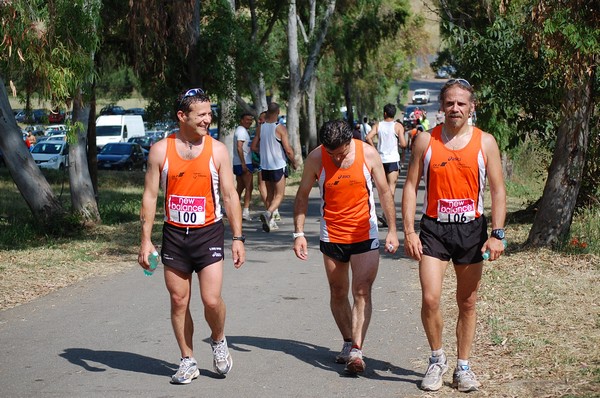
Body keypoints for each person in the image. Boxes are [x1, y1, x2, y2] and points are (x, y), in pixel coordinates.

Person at [402, 78, 506, 393]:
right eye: (450, 103)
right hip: (434, 228)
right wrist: (409, 230)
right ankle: (436, 360)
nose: (455, 108)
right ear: (441, 106)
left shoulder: (485, 142)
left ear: (471, 107)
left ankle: (463, 368)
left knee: (468, 301)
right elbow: (410, 186)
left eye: (461, 103)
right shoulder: (424, 141)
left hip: (471, 230)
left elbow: (500, 190)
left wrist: (497, 233)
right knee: (431, 297)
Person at [138, 88, 246, 385]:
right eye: (201, 115)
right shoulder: (161, 150)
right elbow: (149, 196)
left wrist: (238, 237)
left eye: (210, 114)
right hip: (174, 235)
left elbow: (229, 194)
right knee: (178, 300)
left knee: (211, 300)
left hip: (208, 233)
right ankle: (187, 360)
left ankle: (219, 339)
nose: (207, 120)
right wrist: (145, 240)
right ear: (182, 116)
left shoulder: (217, 150)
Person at [293, 120, 399, 375]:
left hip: (365, 232)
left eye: (341, 152)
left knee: (361, 290)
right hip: (332, 234)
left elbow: (384, 192)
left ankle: (357, 350)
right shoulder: (316, 158)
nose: (337, 158)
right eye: (332, 154)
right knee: (338, 291)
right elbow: (303, 194)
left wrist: (393, 231)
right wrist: (298, 233)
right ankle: (348, 340)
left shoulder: (368, 154)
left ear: (350, 140)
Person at [257, 102, 297, 232]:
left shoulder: (261, 127)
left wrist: (263, 152)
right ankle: (268, 214)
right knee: (279, 195)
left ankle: (270, 221)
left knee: (269, 194)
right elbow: (288, 150)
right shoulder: (280, 128)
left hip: (265, 166)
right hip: (278, 165)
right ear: (278, 112)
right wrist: (294, 162)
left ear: (268, 112)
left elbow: (253, 146)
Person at [365, 104, 407, 227]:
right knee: (391, 188)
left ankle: (384, 214)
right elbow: (403, 144)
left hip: (380, 160)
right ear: (393, 114)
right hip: (393, 159)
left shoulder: (378, 125)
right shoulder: (398, 126)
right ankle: (387, 215)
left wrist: (375, 150)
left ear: (384, 113)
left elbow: (368, 137)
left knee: (382, 189)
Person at [233, 113, 255, 221]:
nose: (249, 122)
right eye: (247, 119)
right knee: (249, 187)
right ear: (241, 120)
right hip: (244, 162)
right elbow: (239, 147)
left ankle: (233, 210)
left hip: (238, 162)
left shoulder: (241, 130)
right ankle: (245, 211)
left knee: (240, 188)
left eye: (251, 120)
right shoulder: (241, 131)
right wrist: (243, 163)